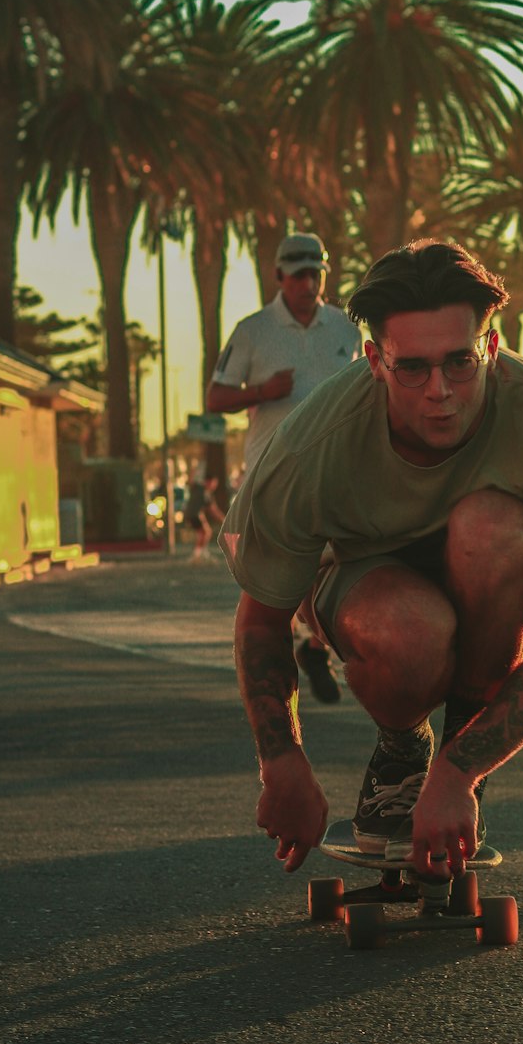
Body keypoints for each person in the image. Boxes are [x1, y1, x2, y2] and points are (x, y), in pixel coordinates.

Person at [220, 239, 523, 875]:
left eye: (460, 362)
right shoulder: (309, 446)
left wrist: (461, 770)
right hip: (368, 590)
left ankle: (450, 757)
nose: (440, 392)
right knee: (411, 626)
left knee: (495, 528)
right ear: (374, 359)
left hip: (488, 588)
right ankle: (401, 754)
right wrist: (282, 763)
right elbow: (261, 621)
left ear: (492, 344)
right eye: (413, 368)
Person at [207, 232, 362, 700]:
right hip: (271, 468)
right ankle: (292, 652)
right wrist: (261, 392)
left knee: (343, 562)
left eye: (315, 273)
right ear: (278, 277)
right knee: (288, 566)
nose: (307, 282)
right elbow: (215, 397)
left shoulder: (346, 329)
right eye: (297, 275)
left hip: (335, 468)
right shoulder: (252, 330)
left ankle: (315, 644)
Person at [185, 466, 220, 561]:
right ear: (208, 482)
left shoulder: (204, 491)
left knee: (203, 533)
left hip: (194, 514)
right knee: (205, 532)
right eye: (214, 483)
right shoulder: (201, 489)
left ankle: (200, 553)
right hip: (193, 514)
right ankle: (199, 554)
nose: (215, 485)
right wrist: (223, 519)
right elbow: (213, 510)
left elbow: (212, 509)